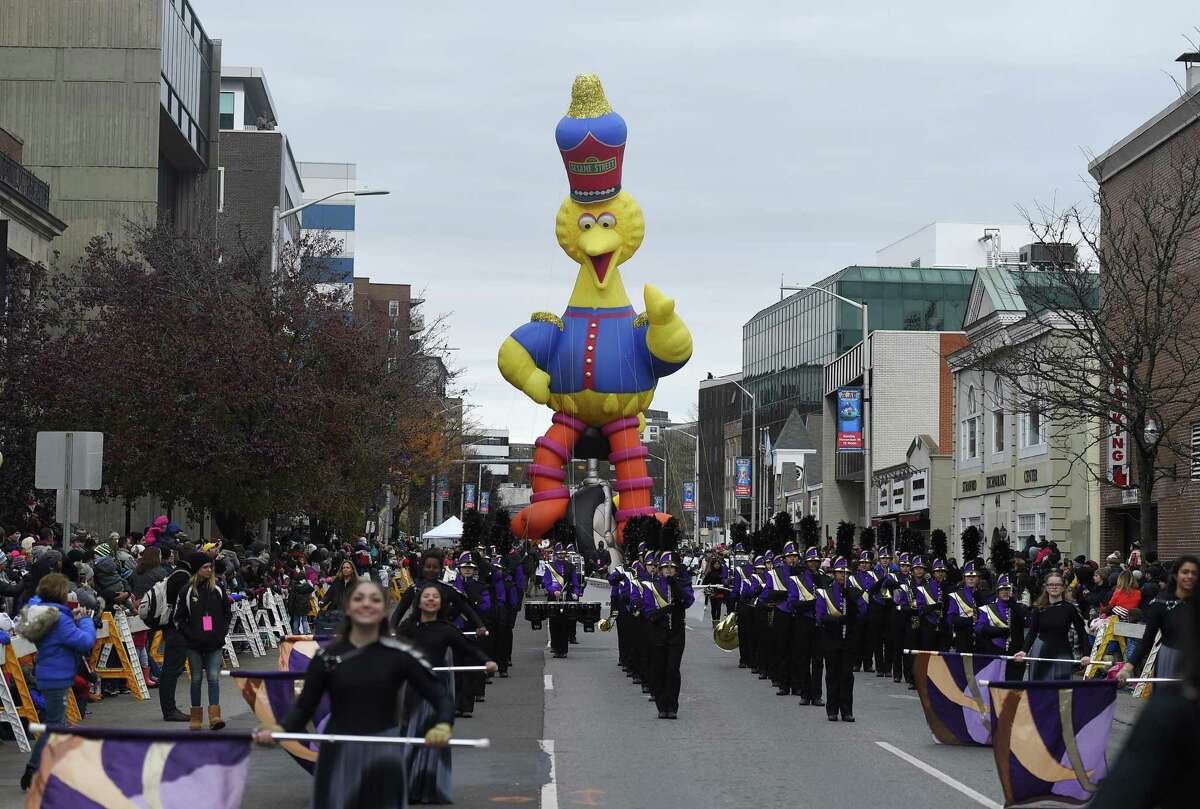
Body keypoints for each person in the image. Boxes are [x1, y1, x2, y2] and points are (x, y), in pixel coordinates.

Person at [256, 580, 454, 809]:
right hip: (337, 750)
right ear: (348, 608)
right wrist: (281, 730)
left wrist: (442, 725)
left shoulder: (401, 654)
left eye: (375, 599)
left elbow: (440, 696)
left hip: (384, 753)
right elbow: (303, 708)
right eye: (359, 598)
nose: (367, 604)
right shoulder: (327, 657)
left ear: (384, 609)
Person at [397, 582, 497, 804]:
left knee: (432, 737)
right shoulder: (407, 628)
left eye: (435, 597)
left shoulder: (447, 629)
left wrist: (487, 661)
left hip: (435, 689)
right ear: (419, 601)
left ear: (441, 603)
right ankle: (406, 786)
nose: (431, 599)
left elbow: (468, 648)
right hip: (410, 688)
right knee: (409, 736)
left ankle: (427, 788)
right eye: (426, 596)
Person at [19, 573, 97, 791]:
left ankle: (47, 770)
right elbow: (84, 641)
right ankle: (36, 770)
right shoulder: (60, 618)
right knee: (54, 727)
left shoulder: (44, 613)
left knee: (55, 725)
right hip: (57, 677)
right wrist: (86, 620)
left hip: (47, 674)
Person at [1118, 554, 1197, 684]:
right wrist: (1128, 667)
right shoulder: (1160, 603)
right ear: (1176, 575)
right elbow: (1147, 639)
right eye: (1185, 572)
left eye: (1194, 573)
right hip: (1170, 660)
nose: (1189, 576)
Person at [174, 553, 231, 730]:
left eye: (210, 567)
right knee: (196, 678)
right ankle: (196, 716)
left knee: (213, 677)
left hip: (214, 642)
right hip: (194, 643)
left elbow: (227, 613)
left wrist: (221, 633)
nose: (209, 570)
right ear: (196, 570)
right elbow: (179, 618)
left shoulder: (218, 589)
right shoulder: (187, 591)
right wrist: (190, 635)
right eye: (205, 567)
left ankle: (215, 716)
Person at [642, 551, 694, 719]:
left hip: (677, 633)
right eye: (666, 568)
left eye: (672, 568)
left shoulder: (682, 584)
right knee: (659, 670)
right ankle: (661, 705)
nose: (669, 571)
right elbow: (648, 611)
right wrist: (663, 611)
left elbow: (688, 601)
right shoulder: (652, 586)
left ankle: (672, 706)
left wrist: (675, 585)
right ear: (660, 569)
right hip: (658, 632)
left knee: (673, 669)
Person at [1013, 573, 1090, 680]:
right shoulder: (1038, 609)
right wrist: (1023, 650)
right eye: (1051, 584)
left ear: (1063, 587)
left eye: (1057, 584)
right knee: (1040, 688)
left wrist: (1086, 654)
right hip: (1041, 651)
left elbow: (1082, 632)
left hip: (1062, 652)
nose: (1054, 587)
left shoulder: (1070, 609)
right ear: (1046, 587)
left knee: (1062, 690)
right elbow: (1032, 632)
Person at [816, 556, 857, 722]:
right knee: (832, 675)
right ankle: (832, 710)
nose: (843, 576)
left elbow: (860, 613)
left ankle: (846, 710)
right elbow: (820, 617)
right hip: (831, 638)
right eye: (840, 573)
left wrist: (851, 600)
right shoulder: (824, 592)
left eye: (846, 573)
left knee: (847, 675)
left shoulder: (852, 591)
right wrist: (838, 620)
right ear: (834, 574)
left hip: (848, 639)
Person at [157, 548, 197, 722]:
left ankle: (170, 709)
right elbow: (187, 606)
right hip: (176, 629)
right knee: (171, 670)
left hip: (175, 629)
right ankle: (170, 710)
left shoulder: (178, 573)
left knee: (172, 669)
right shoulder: (182, 577)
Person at [975, 574, 1028, 679]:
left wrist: (1014, 604)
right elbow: (979, 628)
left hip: (1015, 652)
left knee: (1013, 684)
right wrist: (996, 631)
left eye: (1007, 589)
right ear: (997, 592)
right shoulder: (988, 608)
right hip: (995, 651)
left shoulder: (1017, 607)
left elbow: (1026, 622)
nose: (1005, 592)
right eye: (1002, 590)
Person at [542, 543, 580, 658]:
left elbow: (575, 583)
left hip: (566, 597)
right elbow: (546, 582)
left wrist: (575, 593)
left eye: (562, 554)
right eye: (558, 554)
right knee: (554, 622)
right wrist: (553, 591)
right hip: (554, 598)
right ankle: (555, 646)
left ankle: (563, 650)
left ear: (565, 554)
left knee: (565, 623)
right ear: (555, 554)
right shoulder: (550, 566)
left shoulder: (571, 566)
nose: (560, 556)